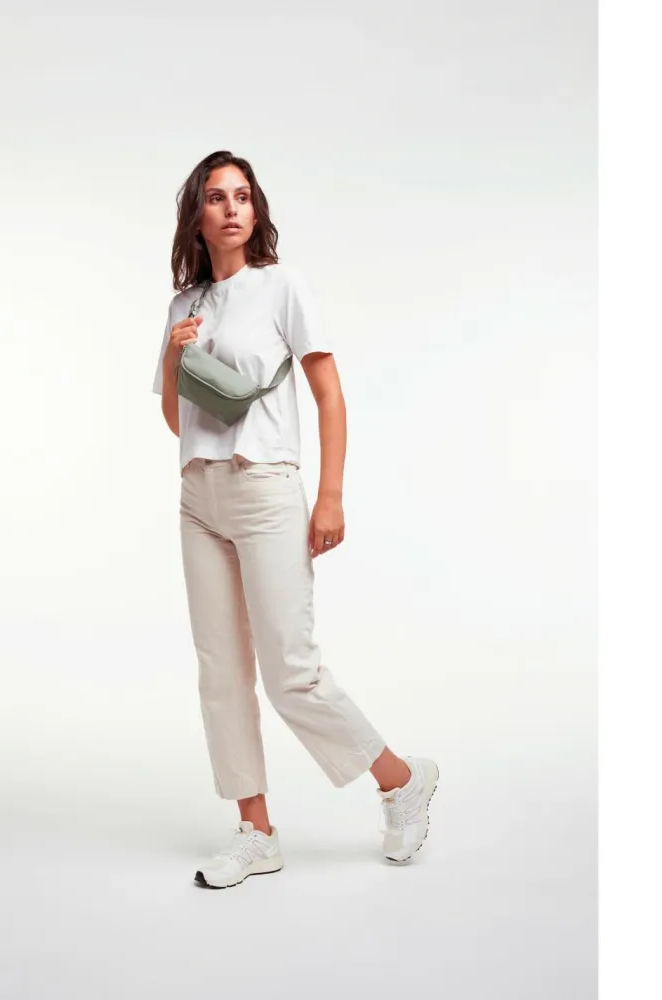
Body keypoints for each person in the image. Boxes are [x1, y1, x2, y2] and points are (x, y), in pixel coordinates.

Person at [152, 150, 439, 889]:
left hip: (266, 488)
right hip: (198, 496)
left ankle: (401, 779)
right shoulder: (183, 305)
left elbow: (329, 395)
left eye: (243, 196)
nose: (231, 209)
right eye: (216, 197)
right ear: (197, 214)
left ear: (257, 210)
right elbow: (176, 420)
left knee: (292, 674)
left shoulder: (283, 286)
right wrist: (174, 357)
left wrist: (330, 494)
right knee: (221, 673)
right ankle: (256, 831)